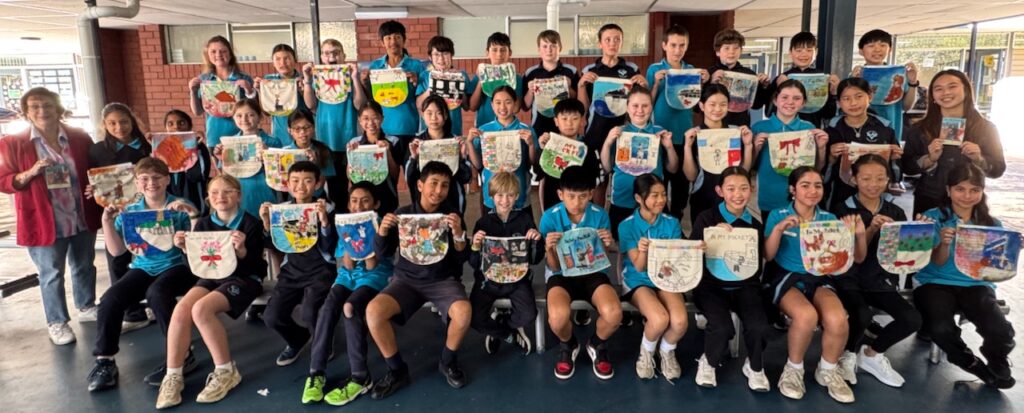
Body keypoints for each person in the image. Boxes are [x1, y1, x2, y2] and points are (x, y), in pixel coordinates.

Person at [87, 157, 199, 392]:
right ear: (136, 182)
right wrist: (106, 222)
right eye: (144, 179)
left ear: (167, 180)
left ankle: (183, 354)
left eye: (157, 178)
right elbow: (117, 251)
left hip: (177, 265)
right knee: (110, 299)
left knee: (157, 294)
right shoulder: (129, 211)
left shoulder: (179, 206)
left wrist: (191, 216)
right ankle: (105, 361)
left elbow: (198, 247)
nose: (151, 183)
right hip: (143, 266)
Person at [0, 87, 101, 345]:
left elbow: (96, 170)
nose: (42, 110)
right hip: (44, 220)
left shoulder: (79, 137)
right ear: (26, 112)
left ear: (57, 108)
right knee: (51, 273)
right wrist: (31, 172)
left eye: (47, 105)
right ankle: (57, 322)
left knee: (84, 264)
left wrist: (96, 186)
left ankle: (86, 306)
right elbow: (4, 181)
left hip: (79, 214)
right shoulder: (12, 143)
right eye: (34, 106)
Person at [156, 175, 266, 408]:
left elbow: (256, 266)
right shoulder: (204, 224)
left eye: (227, 191)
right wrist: (185, 249)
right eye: (215, 192)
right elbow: (197, 267)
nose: (220, 197)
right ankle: (173, 375)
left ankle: (226, 371)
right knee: (181, 309)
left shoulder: (250, 223)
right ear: (208, 198)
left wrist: (242, 250)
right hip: (212, 276)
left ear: (238, 195)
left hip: (245, 278)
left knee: (201, 310)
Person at [365, 161, 471, 398]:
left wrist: (458, 235)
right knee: (373, 312)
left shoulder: (452, 217)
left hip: (442, 280)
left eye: (445, 185)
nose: (438, 190)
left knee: (464, 312)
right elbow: (382, 253)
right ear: (420, 185)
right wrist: (382, 231)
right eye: (434, 183)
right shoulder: (403, 215)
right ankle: (396, 370)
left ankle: (447, 361)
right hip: (406, 281)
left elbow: (462, 258)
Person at [763, 166, 865, 403]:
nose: (812, 191)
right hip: (786, 277)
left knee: (838, 318)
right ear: (793, 190)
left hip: (819, 278)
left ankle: (828, 370)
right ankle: (793, 369)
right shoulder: (778, 214)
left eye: (818, 185)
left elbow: (857, 258)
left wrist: (859, 234)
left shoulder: (829, 220)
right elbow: (768, 255)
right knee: (806, 315)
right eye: (805, 185)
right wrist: (779, 229)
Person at [914, 164, 1016, 389]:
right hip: (935, 282)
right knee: (940, 329)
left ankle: (996, 357)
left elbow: (995, 268)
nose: (967, 196)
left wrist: (1012, 250)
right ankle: (968, 361)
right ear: (948, 190)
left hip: (976, 284)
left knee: (1001, 330)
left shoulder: (992, 225)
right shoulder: (931, 219)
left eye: (974, 190)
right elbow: (936, 262)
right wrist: (943, 243)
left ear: (982, 191)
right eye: (960, 189)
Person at [831, 155, 921, 388]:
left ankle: (872, 353)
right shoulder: (843, 210)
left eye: (880, 178)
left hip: (880, 280)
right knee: (861, 314)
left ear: (888, 180)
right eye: (866, 178)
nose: (874, 184)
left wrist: (918, 231)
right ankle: (848, 355)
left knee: (912, 319)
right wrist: (870, 230)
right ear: (854, 179)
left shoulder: (895, 211)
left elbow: (904, 255)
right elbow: (845, 254)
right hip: (848, 279)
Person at [302, 182, 393, 406]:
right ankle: (316, 372)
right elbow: (348, 265)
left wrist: (365, 243)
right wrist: (349, 241)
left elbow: (372, 265)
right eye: (354, 201)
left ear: (376, 204)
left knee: (350, 308)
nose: (358, 206)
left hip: (375, 276)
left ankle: (360, 377)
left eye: (365, 201)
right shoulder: (344, 224)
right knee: (328, 307)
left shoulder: (381, 224)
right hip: (348, 276)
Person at [689, 166, 771, 391]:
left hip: (745, 286)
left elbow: (756, 262)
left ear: (751, 190)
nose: (738, 194)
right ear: (720, 191)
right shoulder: (706, 218)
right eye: (731, 189)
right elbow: (690, 253)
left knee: (759, 326)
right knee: (722, 327)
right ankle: (709, 361)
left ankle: (754, 366)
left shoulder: (755, 225)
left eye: (743, 188)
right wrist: (710, 238)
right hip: (710, 286)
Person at [539, 165, 621, 380]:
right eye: (571, 196)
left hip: (592, 272)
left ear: (591, 194)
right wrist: (549, 249)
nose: (577, 203)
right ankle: (568, 344)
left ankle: (597, 343)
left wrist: (608, 244)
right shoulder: (549, 217)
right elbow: (553, 267)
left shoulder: (600, 215)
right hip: (561, 274)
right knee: (557, 318)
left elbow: (602, 259)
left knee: (614, 313)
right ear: (560, 194)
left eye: (583, 196)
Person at [258, 161, 336, 366]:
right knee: (272, 316)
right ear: (287, 184)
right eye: (295, 181)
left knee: (310, 313)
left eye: (307, 181)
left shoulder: (327, 208)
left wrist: (324, 221)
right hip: (291, 271)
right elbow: (273, 245)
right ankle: (297, 339)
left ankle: (323, 342)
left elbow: (330, 247)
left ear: (317, 184)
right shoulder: (282, 210)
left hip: (320, 270)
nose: (301, 186)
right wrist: (267, 223)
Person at [88, 102, 155, 333]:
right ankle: (132, 312)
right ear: (105, 125)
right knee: (118, 261)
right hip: (116, 214)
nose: (119, 127)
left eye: (124, 121)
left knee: (151, 254)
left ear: (132, 122)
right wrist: (93, 189)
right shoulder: (98, 150)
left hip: (146, 210)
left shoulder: (147, 146)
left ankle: (153, 304)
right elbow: (94, 179)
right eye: (113, 123)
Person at [901, 69, 1005, 216]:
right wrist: (929, 159)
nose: (946, 92)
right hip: (929, 200)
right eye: (938, 89)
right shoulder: (920, 129)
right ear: (933, 96)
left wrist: (979, 159)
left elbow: (998, 169)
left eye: (952, 86)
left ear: (966, 90)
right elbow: (906, 167)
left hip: (969, 202)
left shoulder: (985, 128)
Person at [616, 174, 687, 380]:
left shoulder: (672, 223)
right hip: (638, 281)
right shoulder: (627, 226)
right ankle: (646, 353)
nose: (661, 200)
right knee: (659, 319)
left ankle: (666, 350)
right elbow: (638, 266)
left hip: (666, 279)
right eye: (654, 195)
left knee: (680, 322)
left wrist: (693, 250)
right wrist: (643, 251)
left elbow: (675, 260)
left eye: (663, 194)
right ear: (639, 198)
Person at [468, 172, 544, 355]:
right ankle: (506, 333)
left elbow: (535, 259)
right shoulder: (483, 222)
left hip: (518, 279)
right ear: (491, 196)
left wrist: (536, 241)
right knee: (473, 317)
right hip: (488, 280)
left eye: (510, 195)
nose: (505, 200)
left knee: (529, 315)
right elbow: (474, 263)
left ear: (517, 196)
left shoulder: (525, 220)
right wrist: (475, 246)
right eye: (500, 195)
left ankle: (502, 322)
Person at [579, 23, 648, 206]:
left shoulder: (631, 69)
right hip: (595, 134)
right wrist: (581, 85)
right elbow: (583, 108)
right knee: (599, 182)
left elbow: (639, 102)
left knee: (625, 178)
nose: (612, 43)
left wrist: (644, 85)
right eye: (608, 39)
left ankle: (622, 217)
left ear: (622, 42)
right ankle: (600, 219)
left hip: (624, 134)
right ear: (600, 43)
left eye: (617, 39)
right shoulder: (589, 70)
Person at [647, 24, 709, 218]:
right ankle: (661, 220)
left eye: (682, 45)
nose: (677, 50)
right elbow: (647, 103)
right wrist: (656, 83)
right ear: (664, 45)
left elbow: (697, 103)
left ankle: (677, 219)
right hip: (659, 135)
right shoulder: (655, 69)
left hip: (684, 136)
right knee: (658, 183)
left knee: (681, 185)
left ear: (687, 46)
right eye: (673, 45)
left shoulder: (691, 71)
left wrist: (703, 82)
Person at [599, 86, 678, 237]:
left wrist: (669, 147)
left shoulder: (659, 132)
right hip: (622, 199)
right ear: (627, 107)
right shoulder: (619, 132)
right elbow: (606, 167)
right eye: (635, 106)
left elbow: (673, 168)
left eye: (645, 106)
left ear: (651, 107)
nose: (640, 110)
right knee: (621, 243)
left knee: (654, 240)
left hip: (653, 200)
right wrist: (608, 142)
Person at [301, 39, 365, 212]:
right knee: (332, 189)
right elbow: (310, 105)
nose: (332, 57)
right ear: (322, 57)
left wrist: (355, 78)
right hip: (325, 142)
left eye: (336, 53)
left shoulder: (350, 77)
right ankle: (333, 221)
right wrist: (307, 80)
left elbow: (360, 105)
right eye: (327, 53)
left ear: (344, 56)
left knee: (355, 185)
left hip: (349, 142)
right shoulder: (317, 78)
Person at [751, 79, 829, 214]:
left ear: (803, 103)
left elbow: (816, 168)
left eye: (797, 98)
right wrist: (756, 149)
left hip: (802, 198)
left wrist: (821, 148)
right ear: (775, 100)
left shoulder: (809, 129)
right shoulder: (759, 128)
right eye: (784, 97)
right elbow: (750, 166)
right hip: (770, 196)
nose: (790, 102)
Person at [681, 84, 754, 224]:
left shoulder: (735, 133)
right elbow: (691, 176)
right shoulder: (694, 134)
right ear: (702, 106)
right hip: (702, 198)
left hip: (732, 199)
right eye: (712, 104)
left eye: (723, 104)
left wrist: (748, 145)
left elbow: (742, 171)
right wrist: (687, 146)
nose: (718, 109)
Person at [823, 78, 900, 210]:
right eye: (846, 98)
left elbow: (896, 175)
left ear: (869, 96)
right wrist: (831, 157)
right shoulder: (832, 129)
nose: (853, 103)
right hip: (840, 195)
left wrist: (893, 159)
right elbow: (823, 175)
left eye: (859, 96)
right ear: (839, 103)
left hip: (875, 195)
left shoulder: (884, 128)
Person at [467, 85, 537, 216]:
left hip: (519, 194)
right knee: (491, 227)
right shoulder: (483, 130)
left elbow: (532, 162)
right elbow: (478, 164)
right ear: (492, 105)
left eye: (508, 102)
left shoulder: (526, 130)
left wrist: (531, 144)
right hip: (492, 195)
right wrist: (469, 142)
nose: (503, 107)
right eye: (498, 103)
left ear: (515, 104)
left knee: (522, 227)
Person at [363, 20, 425, 164]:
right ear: (382, 42)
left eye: (397, 37)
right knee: (387, 171)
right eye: (388, 38)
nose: (393, 42)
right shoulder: (375, 66)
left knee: (411, 170)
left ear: (404, 40)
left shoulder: (416, 66)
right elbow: (371, 98)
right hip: (383, 129)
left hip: (410, 127)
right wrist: (365, 82)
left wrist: (417, 82)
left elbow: (423, 99)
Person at [212, 98, 283, 218]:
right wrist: (222, 158)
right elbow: (226, 177)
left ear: (259, 117)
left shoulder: (273, 142)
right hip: (238, 194)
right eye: (239, 116)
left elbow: (280, 174)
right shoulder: (229, 143)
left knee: (265, 223)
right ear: (233, 118)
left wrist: (268, 156)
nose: (244, 119)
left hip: (264, 192)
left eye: (250, 115)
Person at [406, 95, 474, 213]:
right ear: (422, 115)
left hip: (452, 199)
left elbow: (466, 178)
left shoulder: (455, 142)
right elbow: (410, 178)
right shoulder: (417, 143)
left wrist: (462, 157)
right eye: (429, 113)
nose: (434, 118)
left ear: (446, 115)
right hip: (425, 202)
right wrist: (414, 157)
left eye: (439, 113)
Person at [851, 29, 919, 142]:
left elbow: (906, 107)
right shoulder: (855, 75)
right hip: (860, 133)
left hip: (891, 133)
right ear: (861, 51)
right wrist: (854, 81)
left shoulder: (898, 75)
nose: (877, 49)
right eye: (871, 45)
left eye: (883, 45)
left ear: (890, 49)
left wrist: (913, 82)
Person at [534, 98, 601, 211]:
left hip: (580, 205)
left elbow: (594, 180)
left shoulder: (587, 148)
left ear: (582, 121)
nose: (569, 123)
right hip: (553, 203)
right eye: (564, 118)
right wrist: (542, 149)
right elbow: (539, 175)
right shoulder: (549, 145)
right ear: (556, 121)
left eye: (575, 118)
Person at [188, 35, 254, 148]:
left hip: (242, 135)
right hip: (215, 136)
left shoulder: (244, 78)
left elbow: (255, 109)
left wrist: (249, 90)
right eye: (213, 51)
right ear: (207, 55)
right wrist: (193, 91)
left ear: (230, 54)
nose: (218, 55)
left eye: (223, 51)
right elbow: (197, 112)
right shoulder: (203, 80)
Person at [763, 32, 839, 128]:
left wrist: (833, 93)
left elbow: (829, 114)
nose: (804, 54)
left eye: (809, 50)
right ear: (790, 52)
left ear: (816, 52)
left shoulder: (822, 79)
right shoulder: (782, 78)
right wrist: (778, 88)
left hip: (812, 129)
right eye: (798, 50)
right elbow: (769, 112)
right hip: (783, 130)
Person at [707, 29, 770, 128]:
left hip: (740, 126)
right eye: (727, 48)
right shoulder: (709, 73)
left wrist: (764, 86)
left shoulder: (749, 75)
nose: (731, 52)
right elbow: (698, 107)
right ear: (718, 52)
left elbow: (756, 105)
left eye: (736, 48)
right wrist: (711, 82)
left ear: (741, 51)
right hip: (713, 127)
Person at [523, 29, 579, 138]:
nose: (549, 50)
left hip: (565, 128)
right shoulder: (531, 73)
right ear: (539, 49)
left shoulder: (571, 71)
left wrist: (568, 87)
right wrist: (530, 91)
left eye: (553, 45)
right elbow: (525, 106)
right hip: (538, 127)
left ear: (560, 48)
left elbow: (577, 101)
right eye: (545, 46)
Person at [348, 102, 401, 215]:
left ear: (382, 119)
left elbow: (395, 174)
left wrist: (387, 152)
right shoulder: (354, 143)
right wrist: (351, 155)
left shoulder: (393, 141)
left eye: (375, 118)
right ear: (359, 120)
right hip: (363, 200)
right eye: (366, 119)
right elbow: (350, 175)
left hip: (386, 195)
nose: (371, 123)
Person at [416, 35, 473, 136]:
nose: (441, 58)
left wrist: (458, 88)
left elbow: (466, 106)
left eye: (445, 53)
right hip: (429, 132)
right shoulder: (425, 76)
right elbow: (419, 105)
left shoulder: (461, 75)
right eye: (436, 54)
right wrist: (431, 88)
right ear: (430, 57)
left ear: (452, 55)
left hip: (453, 130)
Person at [161, 109, 214, 217]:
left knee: (195, 221)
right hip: (169, 199)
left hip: (194, 199)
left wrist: (194, 148)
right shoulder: (161, 148)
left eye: (181, 123)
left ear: (189, 126)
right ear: (165, 128)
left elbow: (198, 175)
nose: (176, 127)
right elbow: (159, 174)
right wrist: (153, 145)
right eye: (170, 124)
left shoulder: (199, 146)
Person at [470, 32, 524, 128]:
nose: (499, 54)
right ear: (487, 53)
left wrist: (511, 81)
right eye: (494, 50)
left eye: (503, 50)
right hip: (483, 127)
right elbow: (472, 107)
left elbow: (516, 109)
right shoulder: (479, 76)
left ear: (510, 53)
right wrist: (481, 80)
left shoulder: (517, 78)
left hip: (508, 128)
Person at [285, 109, 336, 201]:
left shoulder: (323, 150)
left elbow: (321, 183)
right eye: (297, 129)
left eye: (307, 127)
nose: (302, 132)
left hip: (317, 198)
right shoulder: (284, 152)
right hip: (293, 199)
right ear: (290, 130)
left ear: (313, 127)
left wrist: (315, 163)